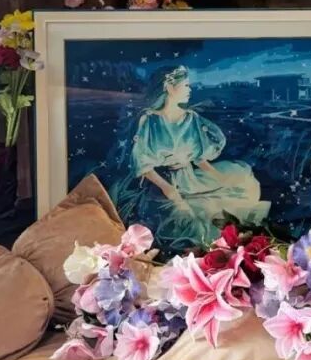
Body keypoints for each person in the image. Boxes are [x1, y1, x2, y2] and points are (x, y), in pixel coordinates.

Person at [115, 65, 269, 251]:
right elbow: (143, 164)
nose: (190, 89)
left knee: (240, 185)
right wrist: (169, 190)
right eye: (186, 85)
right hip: (161, 185)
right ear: (170, 87)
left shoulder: (191, 118)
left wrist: (220, 177)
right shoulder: (149, 120)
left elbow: (199, 159)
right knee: (191, 222)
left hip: (190, 179)